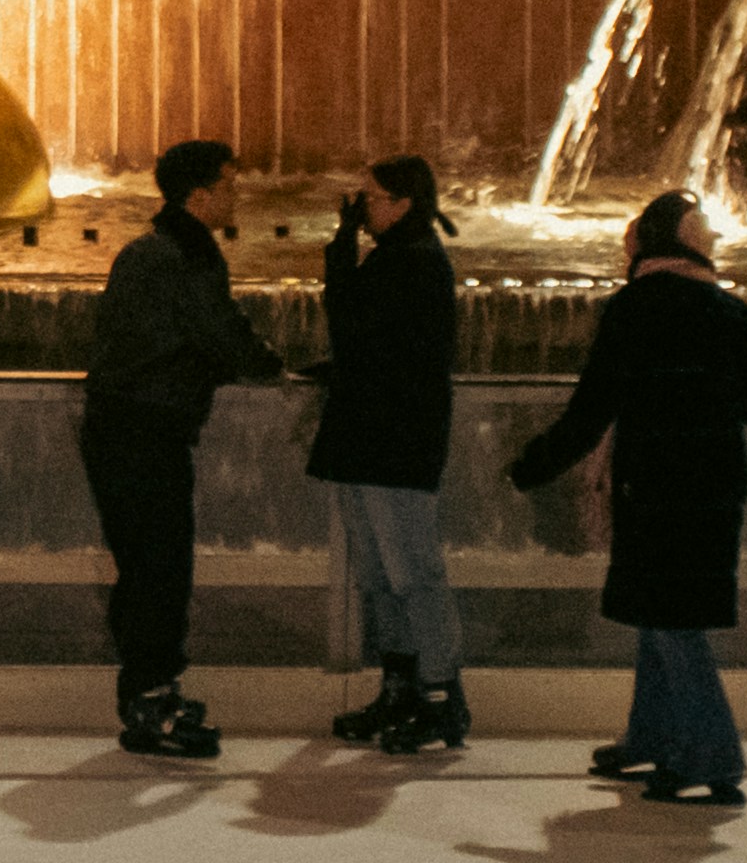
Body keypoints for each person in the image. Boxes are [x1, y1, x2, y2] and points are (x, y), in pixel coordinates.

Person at [507, 193, 747, 808]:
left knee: (671, 622)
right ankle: (651, 737)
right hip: (714, 484)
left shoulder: (632, 309)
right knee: (664, 618)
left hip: (655, 484)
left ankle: (712, 756)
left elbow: (593, 407)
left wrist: (534, 465)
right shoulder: (729, 311)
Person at [83, 138, 283, 764]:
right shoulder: (186, 255)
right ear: (199, 195)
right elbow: (218, 332)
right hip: (146, 432)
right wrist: (271, 366)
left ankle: (150, 695)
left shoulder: (150, 250)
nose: (236, 196)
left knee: (145, 569)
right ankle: (153, 704)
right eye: (229, 185)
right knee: (160, 572)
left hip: (122, 427)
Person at [313, 158, 471, 754]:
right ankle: (401, 688)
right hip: (369, 436)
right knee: (381, 576)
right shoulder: (397, 256)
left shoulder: (414, 261)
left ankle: (441, 695)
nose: (364, 209)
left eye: (373, 199)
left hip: (394, 440)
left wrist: (342, 248)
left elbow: (351, 323)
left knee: (413, 573)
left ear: (404, 204)